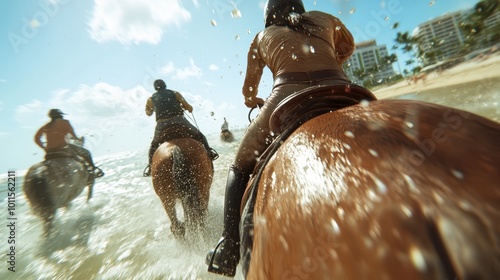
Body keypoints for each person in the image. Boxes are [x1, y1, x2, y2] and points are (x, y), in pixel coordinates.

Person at [206, 0, 368, 276]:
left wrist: (251, 100)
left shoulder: (262, 37)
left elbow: (248, 89)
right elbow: (347, 48)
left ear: (269, 15)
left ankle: (229, 247)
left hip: (286, 95)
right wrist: (328, 62)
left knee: (239, 166)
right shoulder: (324, 18)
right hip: (340, 88)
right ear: (301, 7)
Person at [143, 79, 218, 177]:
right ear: (165, 85)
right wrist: (184, 106)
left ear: (155, 88)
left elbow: (148, 113)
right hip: (179, 121)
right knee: (199, 135)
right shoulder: (174, 94)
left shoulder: (151, 99)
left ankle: (150, 167)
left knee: (154, 145)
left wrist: (153, 108)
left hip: (162, 125)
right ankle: (210, 152)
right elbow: (189, 108)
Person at [34, 109, 104, 178]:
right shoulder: (65, 122)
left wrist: (44, 148)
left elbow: (36, 138)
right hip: (63, 148)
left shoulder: (46, 126)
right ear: (60, 115)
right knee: (86, 153)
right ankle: (93, 170)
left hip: (49, 152)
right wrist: (79, 139)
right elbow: (73, 136)